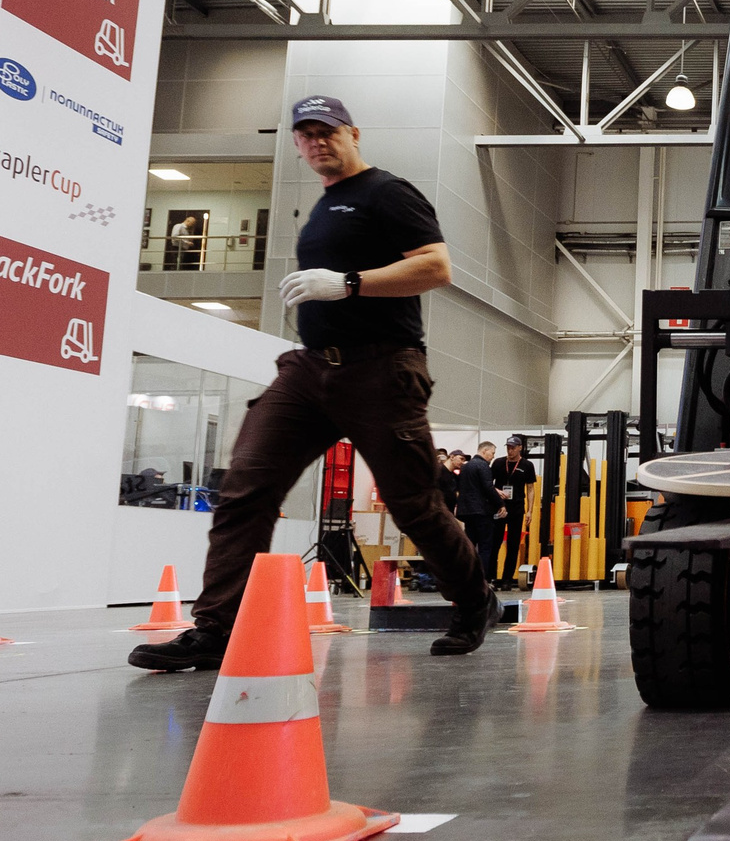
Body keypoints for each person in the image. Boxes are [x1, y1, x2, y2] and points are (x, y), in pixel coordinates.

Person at [131, 95, 495, 671]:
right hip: (308, 370)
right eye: (306, 134)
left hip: (381, 369)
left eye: (327, 131)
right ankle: (218, 629)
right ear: (297, 144)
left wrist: (348, 283)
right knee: (245, 489)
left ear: (353, 133)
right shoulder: (324, 206)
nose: (317, 141)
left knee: (414, 506)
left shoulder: (386, 192)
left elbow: (435, 266)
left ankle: (474, 601)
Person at [492, 434, 538, 589]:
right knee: (495, 542)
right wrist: (497, 492)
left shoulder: (527, 465)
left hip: (516, 508)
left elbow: (530, 489)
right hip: (499, 507)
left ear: (520, 448)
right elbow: (488, 483)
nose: (510, 450)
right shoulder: (498, 463)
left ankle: (507, 579)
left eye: (513, 448)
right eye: (508, 448)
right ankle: (491, 577)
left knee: (513, 544)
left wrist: (529, 510)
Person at [457, 441, 506, 586]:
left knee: (470, 546)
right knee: (485, 547)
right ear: (484, 451)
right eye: (492, 453)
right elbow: (488, 487)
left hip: (467, 512)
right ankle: (482, 580)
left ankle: (467, 579)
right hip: (481, 512)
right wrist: (500, 504)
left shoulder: (465, 466)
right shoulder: (483, 466)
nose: (493, 456)